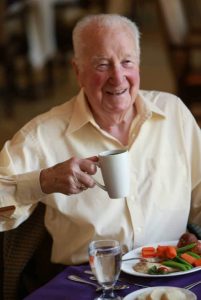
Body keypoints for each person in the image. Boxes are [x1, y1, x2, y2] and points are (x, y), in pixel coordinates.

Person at [1, 13, 201, 267]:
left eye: (127, 62)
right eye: (102, 65)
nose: (118, 78)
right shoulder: (43, 135)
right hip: (87, 281)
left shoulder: (173, 113)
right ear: (78, 71)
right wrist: (44, 181)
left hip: (170, 272)